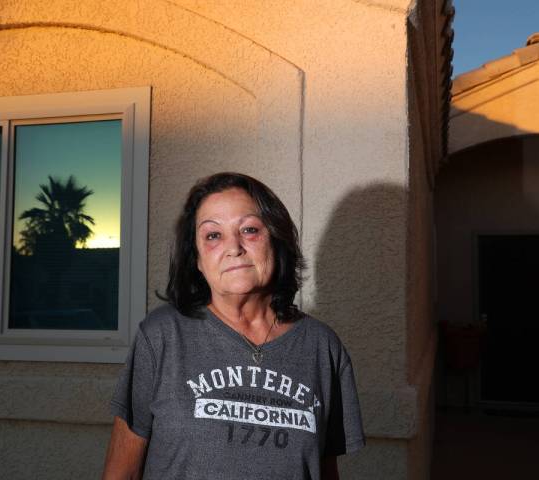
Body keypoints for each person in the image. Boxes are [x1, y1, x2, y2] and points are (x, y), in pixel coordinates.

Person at [103, 172, 364, 479]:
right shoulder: (161, 336)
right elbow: (122, 472)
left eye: (250, 230)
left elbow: (324, 471)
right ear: (197, 259)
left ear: (276, 242)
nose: (234, 247)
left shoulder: (322, 347)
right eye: (213, 235)